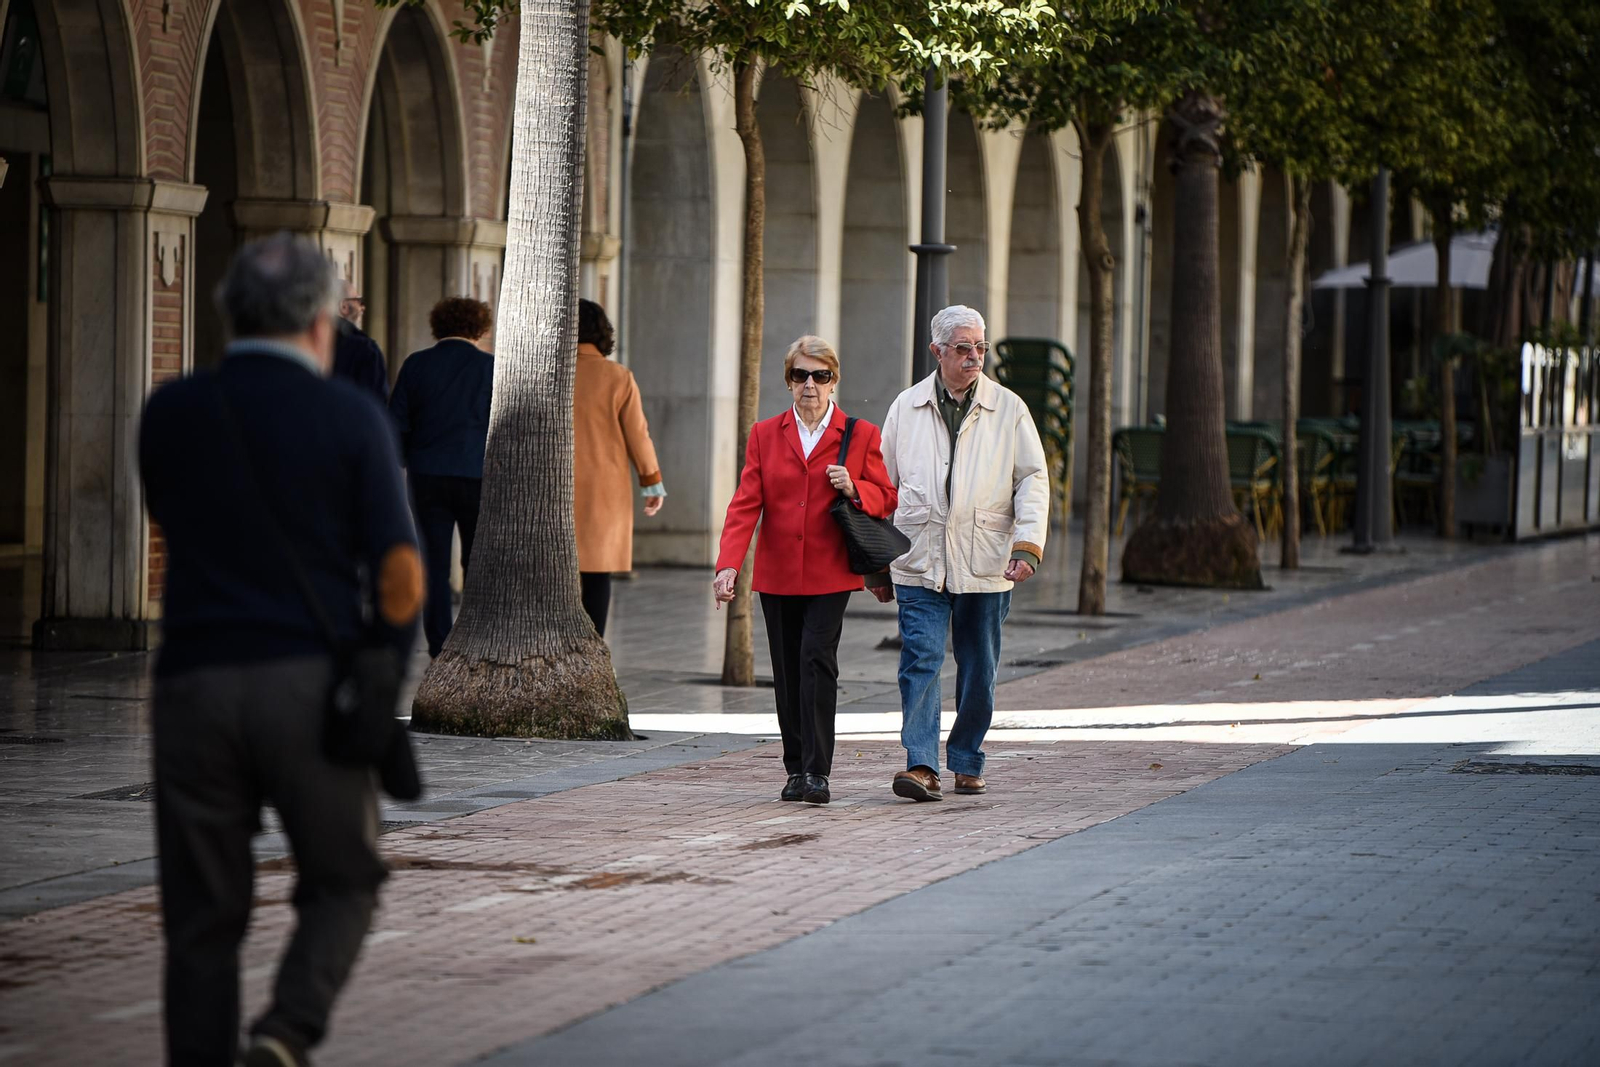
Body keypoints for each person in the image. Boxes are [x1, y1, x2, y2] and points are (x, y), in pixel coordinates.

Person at [138, 233, 423, 1067]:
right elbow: (400, 572)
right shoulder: (350, 417)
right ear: (323, 320)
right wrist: (384, 662)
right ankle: (283, 1033)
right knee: (344, 878)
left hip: (191, 681)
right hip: (307, 683)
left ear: (230, 316)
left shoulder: (173, 411)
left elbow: (172, 518)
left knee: (201, 914)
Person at [871, 305, 1048, 803]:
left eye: (980, 348)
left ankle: (967, 758)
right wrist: (875, 563)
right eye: (963, 349)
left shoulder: (1009, 408)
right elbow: (882, 486)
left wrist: (1027, 546)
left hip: (986, 559)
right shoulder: (905, 407)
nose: (974, 358)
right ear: (937, 352)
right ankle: (921, 766)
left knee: (978, 668)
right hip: (917, 557)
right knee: (920, 660)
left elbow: (1033, 479)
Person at [713, 336, 897, 805]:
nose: (810, 385)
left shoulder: (861, 434)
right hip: (776, 575)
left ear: (834, 381)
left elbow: (886, 496)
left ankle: (817, 772)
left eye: (820, 376)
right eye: (800, 375)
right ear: (788, 381)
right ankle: (794, 769)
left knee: (817, 660)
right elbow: (744, 505)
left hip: (830, 572)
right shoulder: (764, 434)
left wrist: (855, 487)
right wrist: (729, 565)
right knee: (787, 671)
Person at [388, 296, 495, 657]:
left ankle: (439, 643)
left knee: (432, 562)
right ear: (480, 328)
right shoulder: (491, 367)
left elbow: (397, 423)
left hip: (427, 475)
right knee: (475, 561)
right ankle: (475, 638)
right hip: (476, 475)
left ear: (438, 326)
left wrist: (407, 459)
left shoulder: (417, 365)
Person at [574, 299, 665, 636]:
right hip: (603, 492)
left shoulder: (549, 373)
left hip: (552, 488)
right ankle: (593, 647)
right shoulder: (618, 377)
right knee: (597, 575)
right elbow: (637, 435)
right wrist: (651, 482)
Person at [332, 280, 390, 403]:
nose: (362, 307)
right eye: (358, 301)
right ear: (344, 306)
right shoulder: (366, 349)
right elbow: (377, 403)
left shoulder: (306, 342)